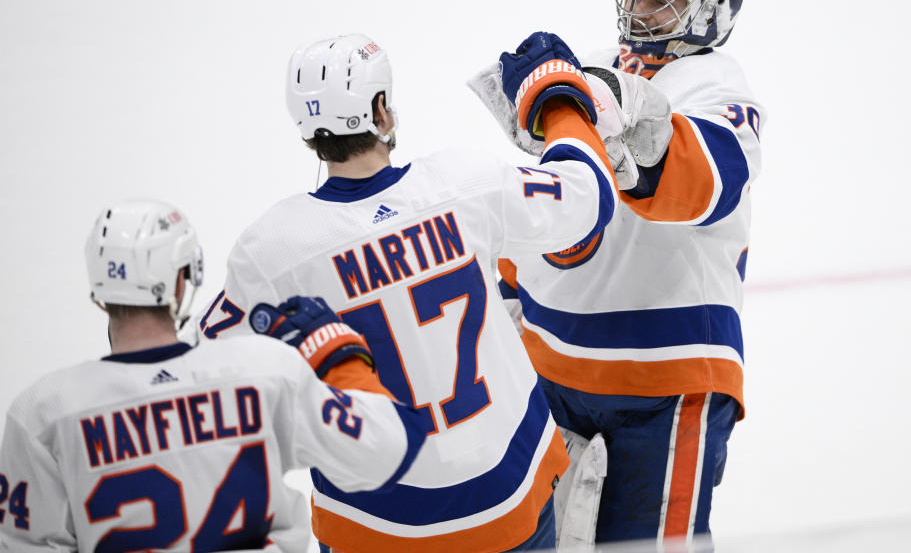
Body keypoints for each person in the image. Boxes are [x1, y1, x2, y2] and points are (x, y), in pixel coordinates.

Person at [189, 31, 620, 551]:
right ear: (381, 111)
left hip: (375, 525)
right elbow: (586, 198)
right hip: (506, 497)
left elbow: (203, 374)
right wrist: (555, 99)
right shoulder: (466, 184)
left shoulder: (274, 251)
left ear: (307, 131)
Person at [494, 0, 767, 549]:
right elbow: (552, 198)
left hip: (663, 383)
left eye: (658, 0)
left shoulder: (719, 87)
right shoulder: (605, 80)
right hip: (555, 369)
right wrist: (511, 298)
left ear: (707, 10)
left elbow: (695, 181)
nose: (639, 12)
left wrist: (590, 108)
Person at [0, 199, 427, 552]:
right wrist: (337, 356)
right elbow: (388, 450)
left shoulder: (43, 413)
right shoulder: (260, 372)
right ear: (182, 280)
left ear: (100, 290)